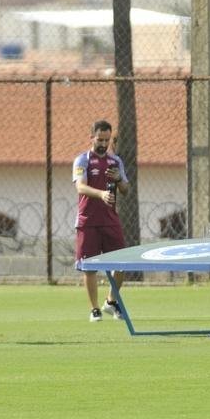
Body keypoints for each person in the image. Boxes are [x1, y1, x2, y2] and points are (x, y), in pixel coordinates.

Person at [73, 120, 130, 322]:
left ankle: (111, 301)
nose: (103, 144)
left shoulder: (116, 162)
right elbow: (81, 187)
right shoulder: (82, 161)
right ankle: (94, 308)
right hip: (88, 220)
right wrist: (101, 194)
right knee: (89, 266)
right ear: (92, 137)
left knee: (122, 263)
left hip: (110, 220)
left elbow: (125, 189)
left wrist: (118, 180)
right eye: (100, 139)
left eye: (107, 140)